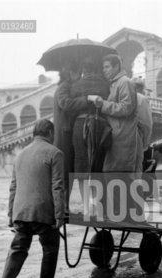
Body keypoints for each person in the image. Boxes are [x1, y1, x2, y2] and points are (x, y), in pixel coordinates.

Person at [0, 119, 65, 278]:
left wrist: (11, 214)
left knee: (17, 250)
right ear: (50, 132)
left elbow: (13, 187)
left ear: (34, 133)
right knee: (51, 245)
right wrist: (59, 215)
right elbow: (57, 185)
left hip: (21, 212)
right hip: (42, 211)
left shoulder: (20, 155)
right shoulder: (55, 153)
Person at [88, 54, 141, 221]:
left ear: (117, 66)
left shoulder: (125, 83)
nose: (104, 71)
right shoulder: (115, 84)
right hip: (117, 137)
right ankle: (121, 213)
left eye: (107, 67)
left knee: (117, 175)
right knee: (113, 175)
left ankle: (124, 214)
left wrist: (102, 104)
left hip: (122, 137)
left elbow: (127, 108)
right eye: (103, 68)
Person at [70, 57, 109, 200]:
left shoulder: (75, 86)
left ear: (83, 70)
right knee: (97, 166)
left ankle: (87, 209)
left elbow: (71, 107)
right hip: (100, 125)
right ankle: (98, 207)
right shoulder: (105, 85)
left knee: (81, 167)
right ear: (95, 69)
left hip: (80, 125)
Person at [53, 65, 81, 214]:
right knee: (65, 173)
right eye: (77, 71)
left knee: (67, 173)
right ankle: (63, 208)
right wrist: (84, 100)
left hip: (65, 135)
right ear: (69, 72)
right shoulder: (64, 87)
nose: (80, 74)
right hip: (65, 136)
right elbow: (66, 104)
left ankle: (64, 207)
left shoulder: (63, 87)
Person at [132, 77, 153, 175]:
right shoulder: (141, 99)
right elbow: (147, 124)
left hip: (119, 138)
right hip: (135, 137)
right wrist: (145, 144)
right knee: (136, 170)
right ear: (141, 89)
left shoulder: (120, 97)